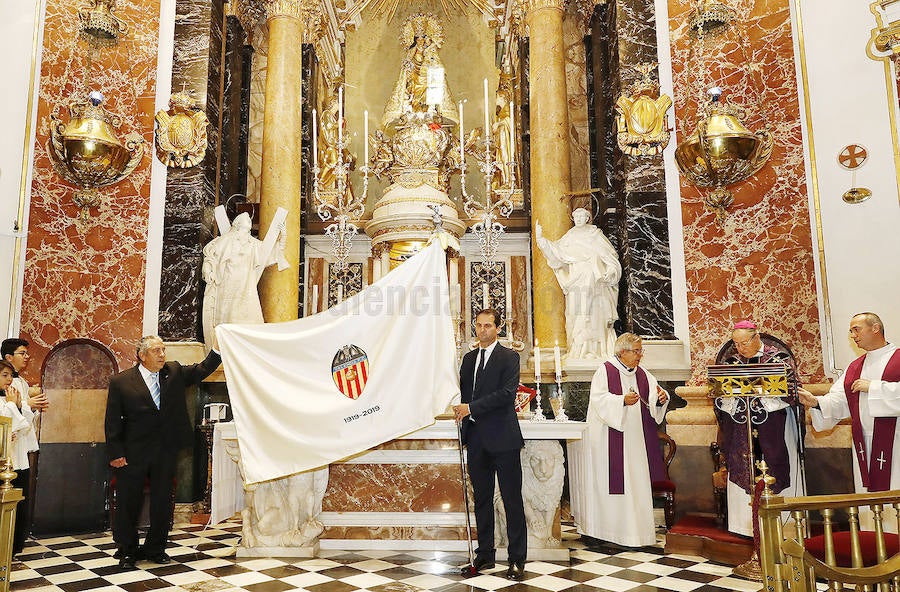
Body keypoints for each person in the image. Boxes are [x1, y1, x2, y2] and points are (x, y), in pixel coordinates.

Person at [104, 336, 220, 570]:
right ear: (142, 355)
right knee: (129, 503)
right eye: (156, 350)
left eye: (163, 349)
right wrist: (116, 452)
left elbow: (201, 370)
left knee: (162, 502)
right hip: (132, 452)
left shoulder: (174, 372)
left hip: (165, 450)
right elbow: (112, 420)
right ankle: (127, 550)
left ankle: (156, 548)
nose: (162, 354)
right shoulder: (121, 381)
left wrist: (217, 349)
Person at [569, 333, 669, 547]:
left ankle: (635, 534)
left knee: (635, 483)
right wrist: (621, 400)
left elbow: (655, 396)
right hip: (608, 440)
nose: (640, 355)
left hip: (636, 443)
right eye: (636, 351)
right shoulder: (605, 370)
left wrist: (661, 399)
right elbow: (598, 399)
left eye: (641, 351)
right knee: (610, 485)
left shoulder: (642, 374)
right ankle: (604, 532)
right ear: (622, 352)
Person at [453, 309, 527, 580]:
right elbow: (462, 392)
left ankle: (517, 559)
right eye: (479, 325)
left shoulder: (509, 357)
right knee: (482, 500)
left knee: (511, 500)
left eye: (488, 326)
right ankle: (485, 555)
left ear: (498, 328)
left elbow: (507, 395)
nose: (483, 330)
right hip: (476, 440)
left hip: (504, 439)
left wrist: (470, 407)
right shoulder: (469, 358)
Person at [715, 321, 802, 537]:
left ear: (757, 338)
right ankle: (746, 528)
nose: (740, 348)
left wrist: (759, 394)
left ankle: (785, 526)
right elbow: (719, 395)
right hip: (741, 429)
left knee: (775, 464)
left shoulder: (778, 359)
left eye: (744, 343)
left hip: (774, 426)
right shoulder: (732, 362)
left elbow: (793, 391)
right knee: (743, 466)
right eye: (736, 344)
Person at [800, 313, 900, 493]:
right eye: (851, 331)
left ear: (875, 328)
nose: (853, 336)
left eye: (856, 330)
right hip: (864, 444)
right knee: (869, 501)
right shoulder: (855, 367)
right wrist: (815, 402)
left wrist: (874, 387)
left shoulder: (898, 358)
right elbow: (840, 399)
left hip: (896, 442)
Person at [535, 208, 621, 360]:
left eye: (582, 216)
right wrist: (541, 240)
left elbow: (610, 257)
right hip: (576, 282)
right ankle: (578, 349)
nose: (579, 219)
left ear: (588, 218)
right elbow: (556, 254)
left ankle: (596, 350)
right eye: (576, 216)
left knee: (594, 315)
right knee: (576, 314)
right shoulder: (570, 238)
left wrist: (611, 270)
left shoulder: (595, 235)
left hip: (595, 282)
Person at [201, 212, 284, 350]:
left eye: (248, 230)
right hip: (228, 285)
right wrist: (208, 270)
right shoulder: (225, 241)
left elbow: (268, 252)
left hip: (246, 286)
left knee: (250, 316)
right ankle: (224, 348)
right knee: (229, 317)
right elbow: (211, 256)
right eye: (243, 229)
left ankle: (248, 348)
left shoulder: (251, 244)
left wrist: (281, 238)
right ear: (236, 227)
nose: (246, 233)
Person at [0, 338, 48, 555]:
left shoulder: (21, 384)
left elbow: (23, 422)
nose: (27, 357)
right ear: (8, 357)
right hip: (6, 455)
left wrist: (29, 407)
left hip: (19, 451)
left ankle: (14, 544)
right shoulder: (8, 394)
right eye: (22, 353)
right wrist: (23, 405)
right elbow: (13, 420)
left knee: (20, 500)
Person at [382, 13, 456, 126]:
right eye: (418, 39)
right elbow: (407, 64)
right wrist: (408, 68)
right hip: (415, 77)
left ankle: (429, 112)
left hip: (428, 78)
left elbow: (436, 63)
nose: (421, 41)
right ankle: (415, 111)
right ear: (415, 39)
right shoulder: (411, 51)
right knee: (414, 95)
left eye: (423, 38)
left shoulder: (430, 51)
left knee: (428, 96)